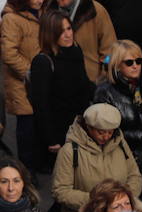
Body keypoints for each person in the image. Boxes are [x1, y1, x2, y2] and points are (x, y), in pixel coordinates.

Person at [94, 39, 142, 206]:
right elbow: (103, 131)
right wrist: (141, 135)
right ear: (117, 65)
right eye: (129, 62)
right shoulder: (105, 92)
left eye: (139, 61)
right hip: (122, 158)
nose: (135, 66)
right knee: (123, 202)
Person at [51, 102, 142, 212]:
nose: (106, 137)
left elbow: (134, 175)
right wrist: (100, 202)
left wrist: (123, 199)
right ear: (88, 127)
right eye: (101, 132)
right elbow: (60, 191)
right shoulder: (69, 151)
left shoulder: (120, 144)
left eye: (110, 132)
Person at [29, 10, 94, 168]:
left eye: (69, 28)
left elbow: (85, 86)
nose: (67, 34)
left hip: (81, 128)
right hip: (59, 133)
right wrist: (51, 139)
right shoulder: (43, 62)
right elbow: (41, 105)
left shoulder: (76, 51)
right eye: (60, 31)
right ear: (50, 35)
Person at [1, 0, 43, 173]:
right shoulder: (11, 18)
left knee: (38, 123)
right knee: (26, 126)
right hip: (21, 82)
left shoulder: (40, 13)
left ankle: (36, 165)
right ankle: (26, 171)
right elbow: (9, 53)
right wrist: (30, 71)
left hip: (39, 80)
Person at [45, 0, 116, 82]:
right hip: (58, 86)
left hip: (91, 83)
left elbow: (110, 51)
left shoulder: (95, 10)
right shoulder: (48, 11)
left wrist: (103, 77)